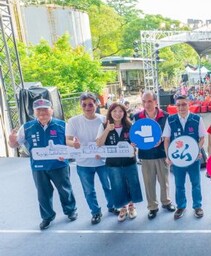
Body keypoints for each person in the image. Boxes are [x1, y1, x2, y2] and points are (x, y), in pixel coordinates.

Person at [9, 99, 78, 230]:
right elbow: (15, 144)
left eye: (45, 109)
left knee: (65, 189)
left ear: (51, 110)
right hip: (38, 167)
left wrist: (70, 153)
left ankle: (71, 210)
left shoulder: (63, 125)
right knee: (43, 193)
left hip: (59, 165)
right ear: (34, 112)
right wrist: (11, 141)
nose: (42, 112)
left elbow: (71, 145)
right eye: (39, 110)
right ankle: (47, 217)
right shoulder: (27, 127)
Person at [66, 92, 116, 225]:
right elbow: (68, 140)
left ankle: (112, 206)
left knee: (109, 186)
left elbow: (109, 139)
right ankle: (95, 212)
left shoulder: (103, 119)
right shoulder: (73, 121)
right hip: (83, 163)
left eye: (90, 104)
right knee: (89, 191)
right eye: (84, 105)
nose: (87, 107)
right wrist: (74, 144)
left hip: (102, 161)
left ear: (96, 104)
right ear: (80, 105)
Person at [96, 103, 143, 222]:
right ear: (110, 113)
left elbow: (136, 144)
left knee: (132, 184)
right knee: (117, 185)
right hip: (113, 164)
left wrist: (134, 147)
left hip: (129, 161)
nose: (117, 114)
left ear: (124, 113)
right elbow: (99, 143)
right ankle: (123, 208)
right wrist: (107, 129)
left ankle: (132, 206)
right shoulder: (103, 125)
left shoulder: (130, 126)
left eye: (120, 111)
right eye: (114, 111)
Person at [133, 92, 176, 220]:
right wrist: (134, 142)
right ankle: (152, 207)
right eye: (144, 102)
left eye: (150, 101)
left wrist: (162, 139)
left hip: (162, 154)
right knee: (148, 183)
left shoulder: (166, 116)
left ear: (155, 102)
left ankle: (166, 202)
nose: (147, 104)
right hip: (145, 156)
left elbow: (171, 135)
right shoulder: (137, 117)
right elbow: (133, 135)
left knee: (165, 181)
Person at [163, 95, 207, 219]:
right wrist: (168, 156)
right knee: (179, 184)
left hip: (193, 159)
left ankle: (197, 206)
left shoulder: (197, 119)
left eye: (184, 104)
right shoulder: (170, 120)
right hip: (177, 160)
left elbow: (202, 138)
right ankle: (181, 206)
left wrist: (197, 149)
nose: (181, 107)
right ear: (175, 106)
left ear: (189, 105)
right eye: (179, 105)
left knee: (196, 183)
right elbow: (166, 140)